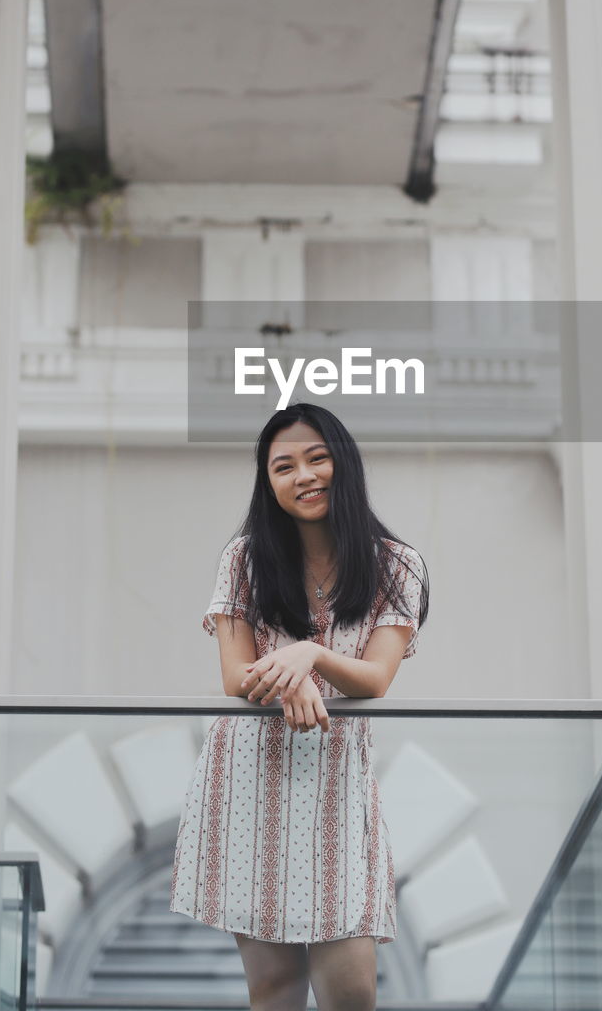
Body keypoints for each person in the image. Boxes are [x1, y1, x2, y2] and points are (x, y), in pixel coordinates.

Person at [170, 402, 429, 1011]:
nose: (303, 476)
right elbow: (236, 676)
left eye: (317, 458)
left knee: (351, 990)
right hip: (249, 784)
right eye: (283, 467)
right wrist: (291, 678)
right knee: (274, 990)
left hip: (338, 786)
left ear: (345, 463)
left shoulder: (396, 565)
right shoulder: (243, 559)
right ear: (269, 484)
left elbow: (376, 678)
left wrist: (310, 655)